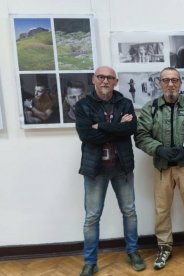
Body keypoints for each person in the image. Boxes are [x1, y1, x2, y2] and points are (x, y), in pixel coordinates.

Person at [134, 67, 184, 270]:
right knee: (162, 209)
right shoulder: (151, 108)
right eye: (166, 80)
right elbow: (141, 136)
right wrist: (158, 149)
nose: (170, 84)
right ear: (159, 83)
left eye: (174, 80)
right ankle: (164, 246)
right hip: (162, 167)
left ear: (180, 83)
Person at [75, 66, 146, 276]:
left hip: (122, 167)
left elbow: (131, 129)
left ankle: (133, 252)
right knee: (92, 217)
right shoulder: (83, 105)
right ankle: (90, 261)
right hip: (95, 169)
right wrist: (116, 125)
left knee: (130, 212)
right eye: (101, 77)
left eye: (109, 78)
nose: (105, 81)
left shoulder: (125, 103)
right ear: (93, 79)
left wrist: (101, 126)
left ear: (115, 81)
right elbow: (87, 136)